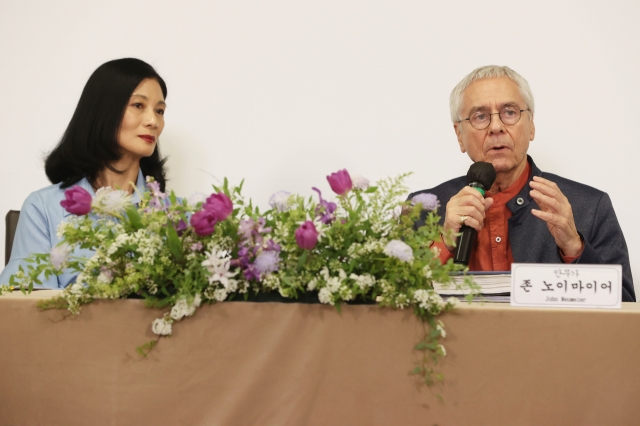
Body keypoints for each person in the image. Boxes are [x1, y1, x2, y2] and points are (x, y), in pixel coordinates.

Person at [409, 65, 635, 302]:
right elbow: (393, 309)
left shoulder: (589, 207)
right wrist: (444, 243)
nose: (496, 127)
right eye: (480, 116)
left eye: (509, 112)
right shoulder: (423, 209)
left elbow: (625, 312)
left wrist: (574, 247)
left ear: (531, 125)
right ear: (459, 135)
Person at [0, 58, 168, 289]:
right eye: (138, 105)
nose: (153, 121)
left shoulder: (174, 215)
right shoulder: (44, 208)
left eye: (159, 111)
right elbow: (27, 309)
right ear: (103, 111)